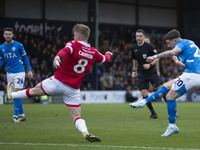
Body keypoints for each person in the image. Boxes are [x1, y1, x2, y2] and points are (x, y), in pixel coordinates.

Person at [7, 24, 112, 142]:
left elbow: (65, 50)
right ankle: (85, 131)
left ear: (77, 36)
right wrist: (108, 53)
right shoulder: (94, 52)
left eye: (74, 35)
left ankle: (11, 95)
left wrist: (57, 57)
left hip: (58, 82)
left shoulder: (74, 44)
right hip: (73, 89)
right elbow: (105, 59)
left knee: (34, 91)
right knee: (76, 116)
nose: (73, 37)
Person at [130, 29, 200, 137]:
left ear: (175, 41)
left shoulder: (181, 43)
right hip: (194, 74)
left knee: (170, 97)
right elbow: (187, 64)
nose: (168, 46)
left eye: (168, 43)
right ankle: (143, 102)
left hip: (191, 76)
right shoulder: (190, 43)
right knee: (166, 85)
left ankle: (172, 126)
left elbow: (171, 52)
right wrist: (177, 61)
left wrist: (154, 57)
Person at [0, 27, 33, 122]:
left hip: (19, 72)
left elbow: (25, 57)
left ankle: (15, 116)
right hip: (9, 74)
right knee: (13, 95)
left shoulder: (18, 45)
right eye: (6, 34)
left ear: (13, 35)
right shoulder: (1, 47)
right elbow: (2, 60)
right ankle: (22, 115)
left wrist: (29, 70)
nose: (8, 36)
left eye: (9, 34)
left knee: (17, 93)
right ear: (3, 35)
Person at [131, 29, 162, 119]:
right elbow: (134, 60)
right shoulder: (134, 48)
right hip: (141, 74)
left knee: (161, 89)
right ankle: (153, 113)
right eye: (137, 36)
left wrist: (150, 65)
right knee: (144, 93)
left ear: (144, 37)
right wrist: (134, 70)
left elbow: (158, 58)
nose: (138, 38)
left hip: (151, 72)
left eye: (140, 36)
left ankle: (171, 109)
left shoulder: (149, 46)